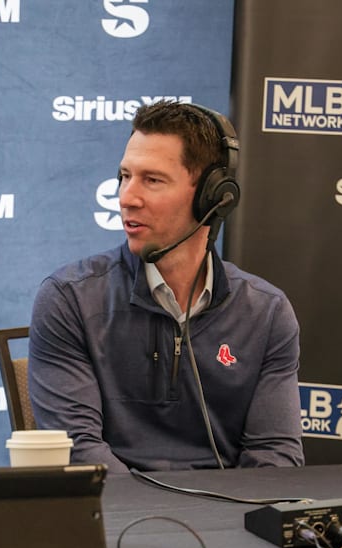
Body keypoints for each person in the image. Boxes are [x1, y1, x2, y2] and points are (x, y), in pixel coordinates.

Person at [28, 101, 304, 472]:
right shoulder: (70, 298)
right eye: (125, 176)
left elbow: (276, 457)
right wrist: (164, 521)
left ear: (213, 195)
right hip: (116, 520)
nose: (127, 197)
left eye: (152, 180)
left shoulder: (266, 312)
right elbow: (80, 452)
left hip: (226, 520)